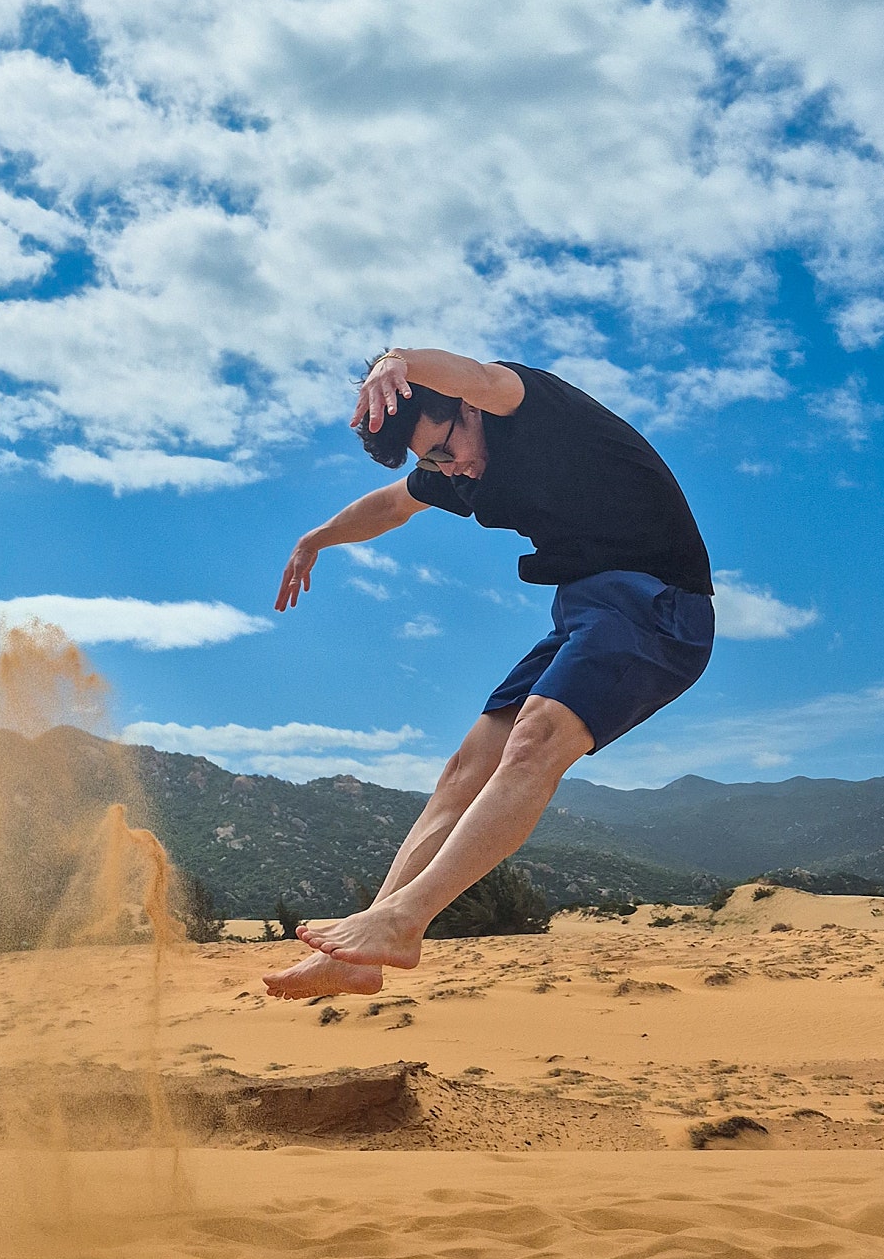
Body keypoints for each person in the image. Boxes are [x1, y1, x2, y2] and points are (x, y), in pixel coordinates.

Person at [264, 349, 714, 999]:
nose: (454, 469)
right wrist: (316, 539)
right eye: (435, 463)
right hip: (583, 613)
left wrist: (397, 359)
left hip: (660, 602)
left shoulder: (523, 406)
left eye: (449, 447)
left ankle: (402, 921)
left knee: (535, 739)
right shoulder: (455, 467)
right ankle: (357, 956)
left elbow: (474, 376)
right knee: (464, 770)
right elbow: (392, 506)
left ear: (467, 409)